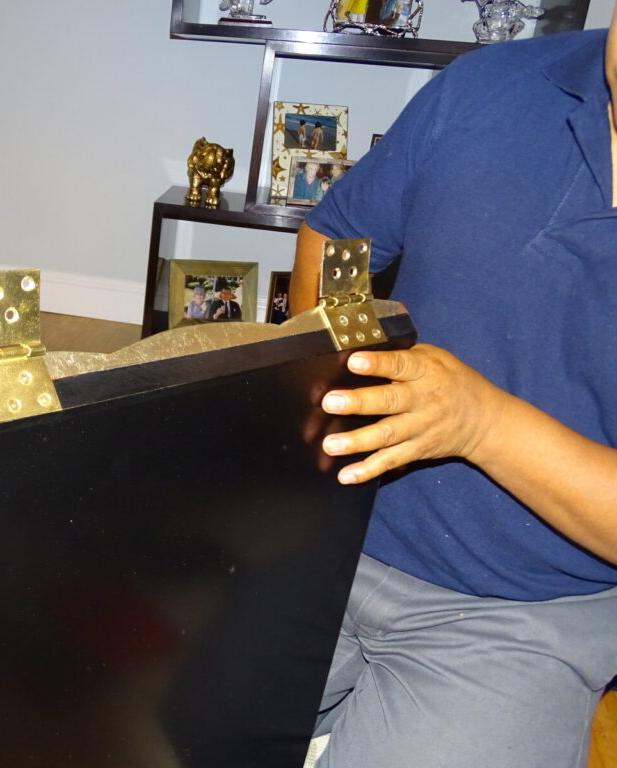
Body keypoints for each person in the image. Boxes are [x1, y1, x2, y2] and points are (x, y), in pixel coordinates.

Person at [289, 12, 617, 767]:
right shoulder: (486, 83)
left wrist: (478, 424)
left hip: (531, 609)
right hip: (324, 534)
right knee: (133, 732)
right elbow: (339, 234)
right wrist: (330, 370)